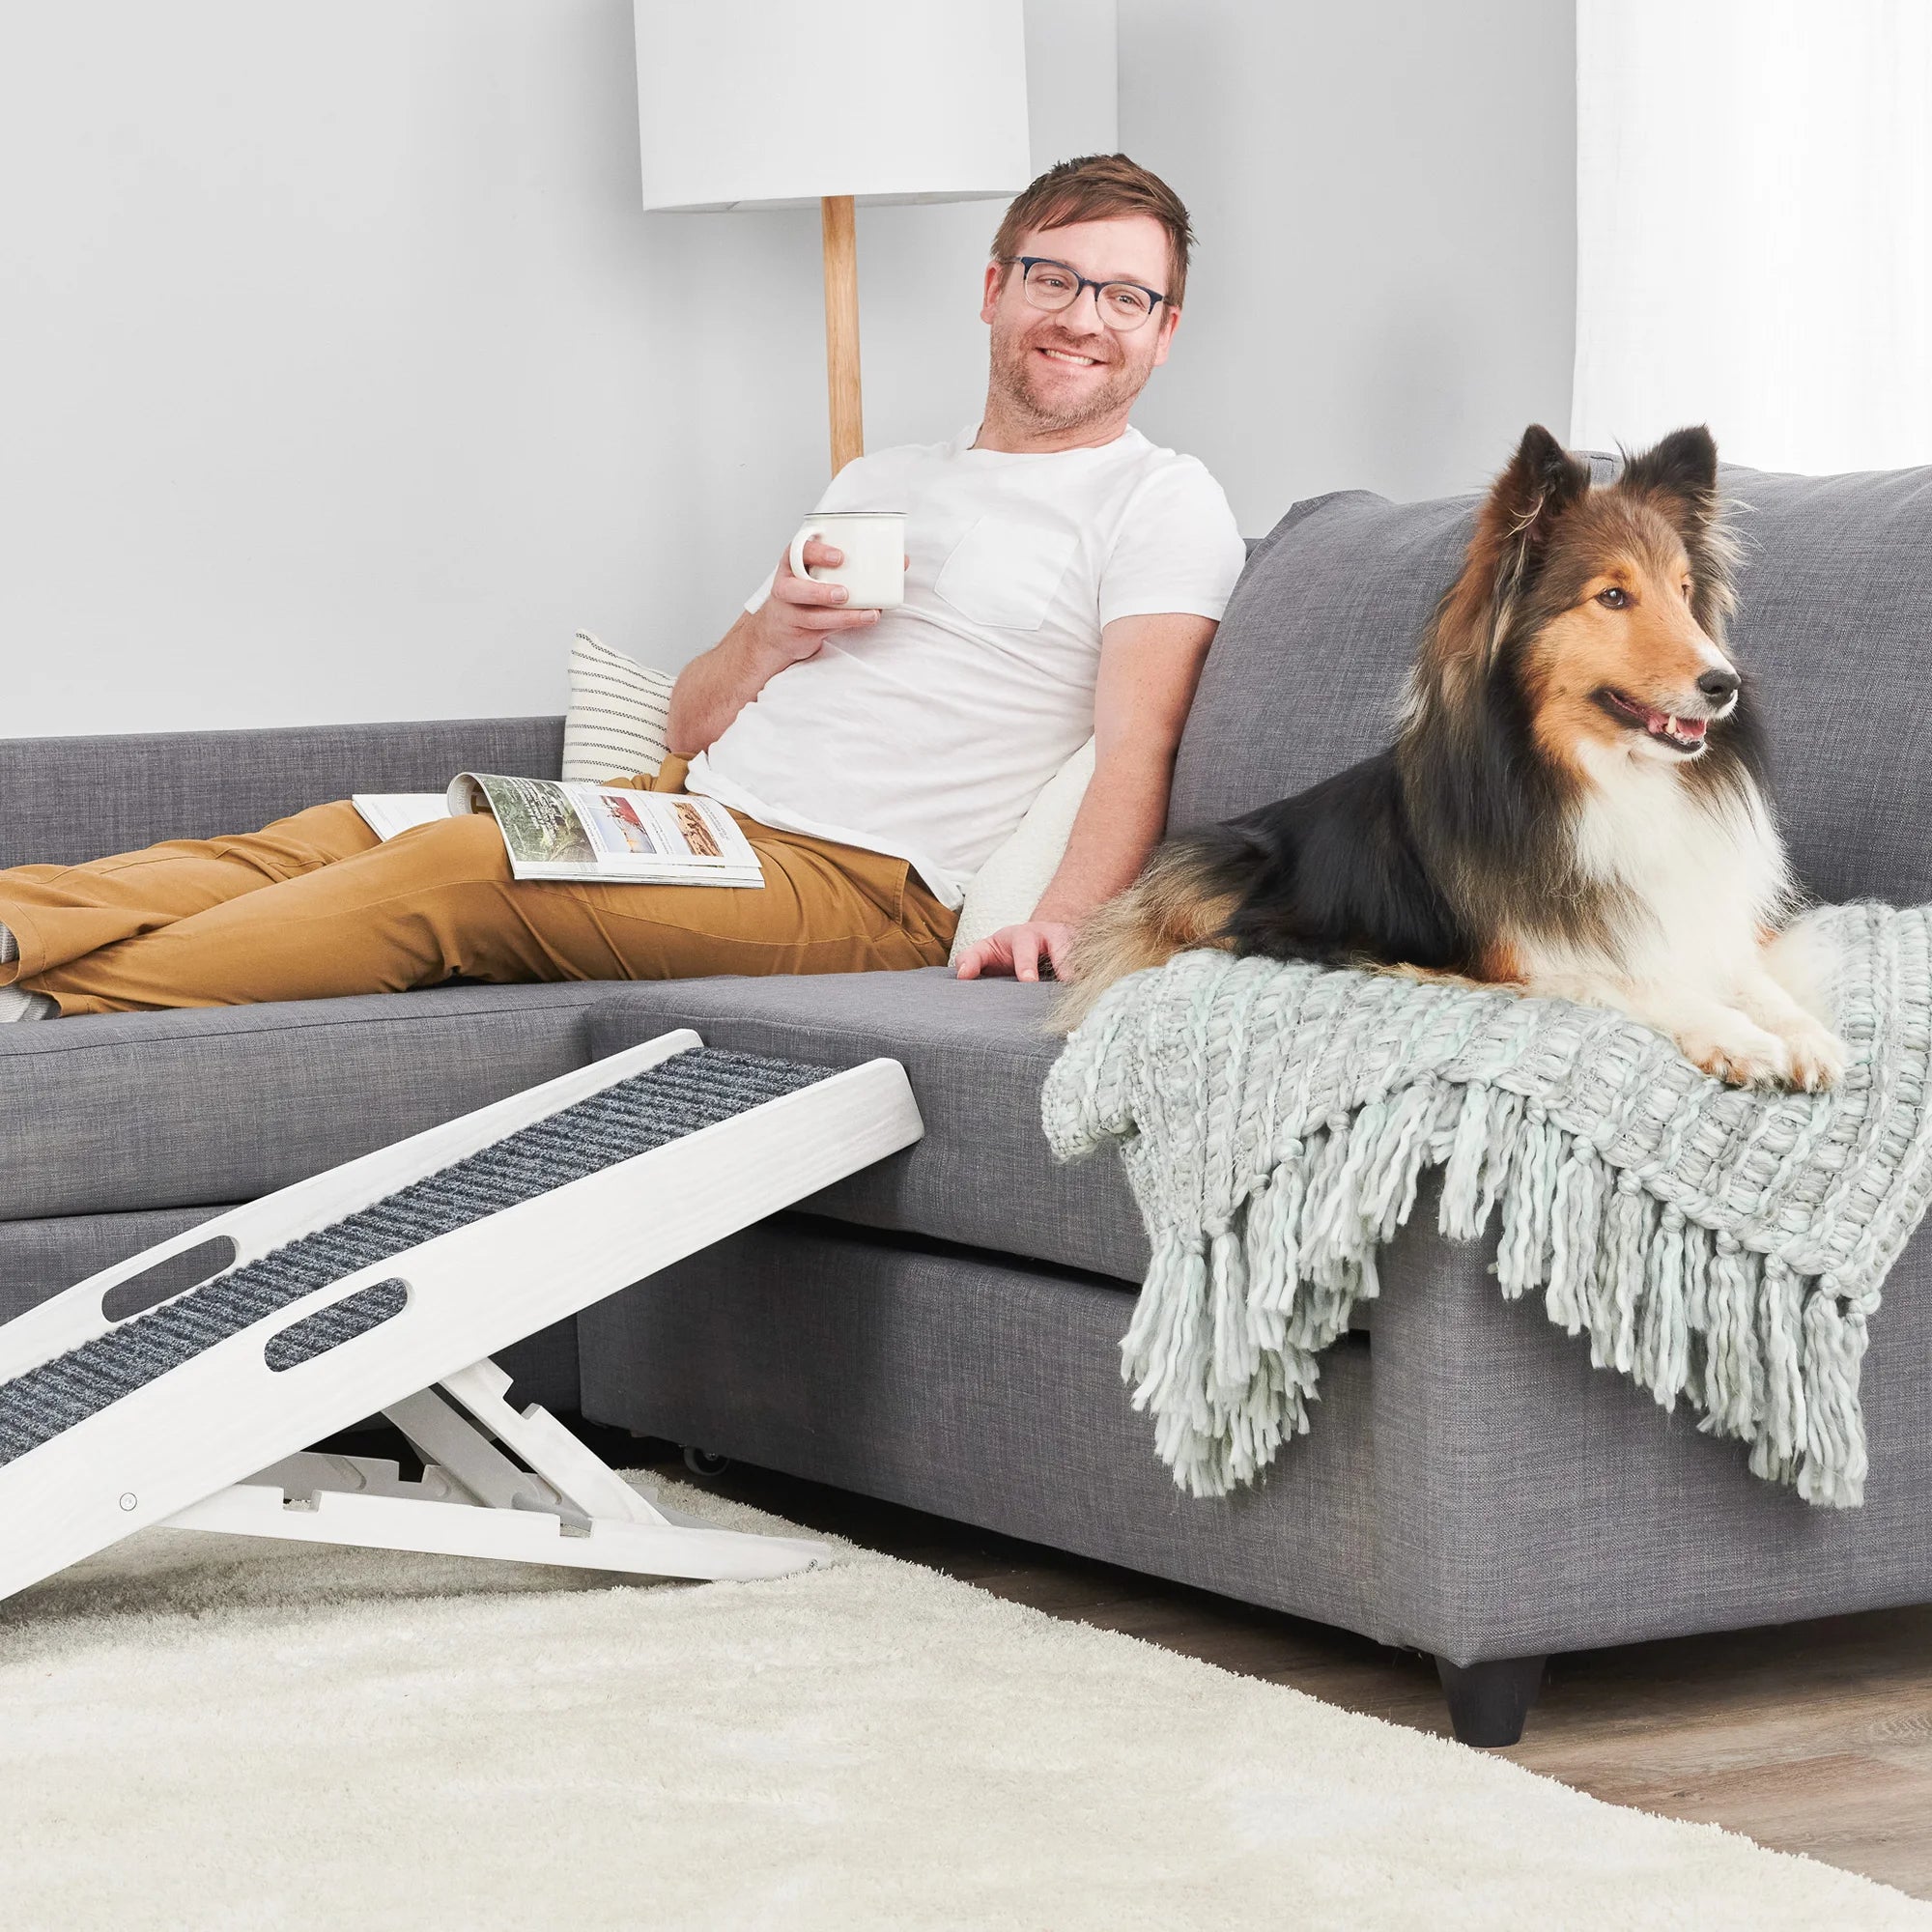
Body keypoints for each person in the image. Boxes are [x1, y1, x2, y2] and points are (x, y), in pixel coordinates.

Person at [0, 154, 1245, 1022]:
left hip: (863, 881)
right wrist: (769, 634)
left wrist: (1071, 923)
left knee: (454, 876)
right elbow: (692, 723)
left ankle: (51, 1005)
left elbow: (1143, 742)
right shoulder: (887, 472)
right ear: (993, 291)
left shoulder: (1158, 500)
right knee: (337, 836)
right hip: (691, 813)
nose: (1086, 316)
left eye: (1128, 294)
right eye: (1055, 278)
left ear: (1168, 331)